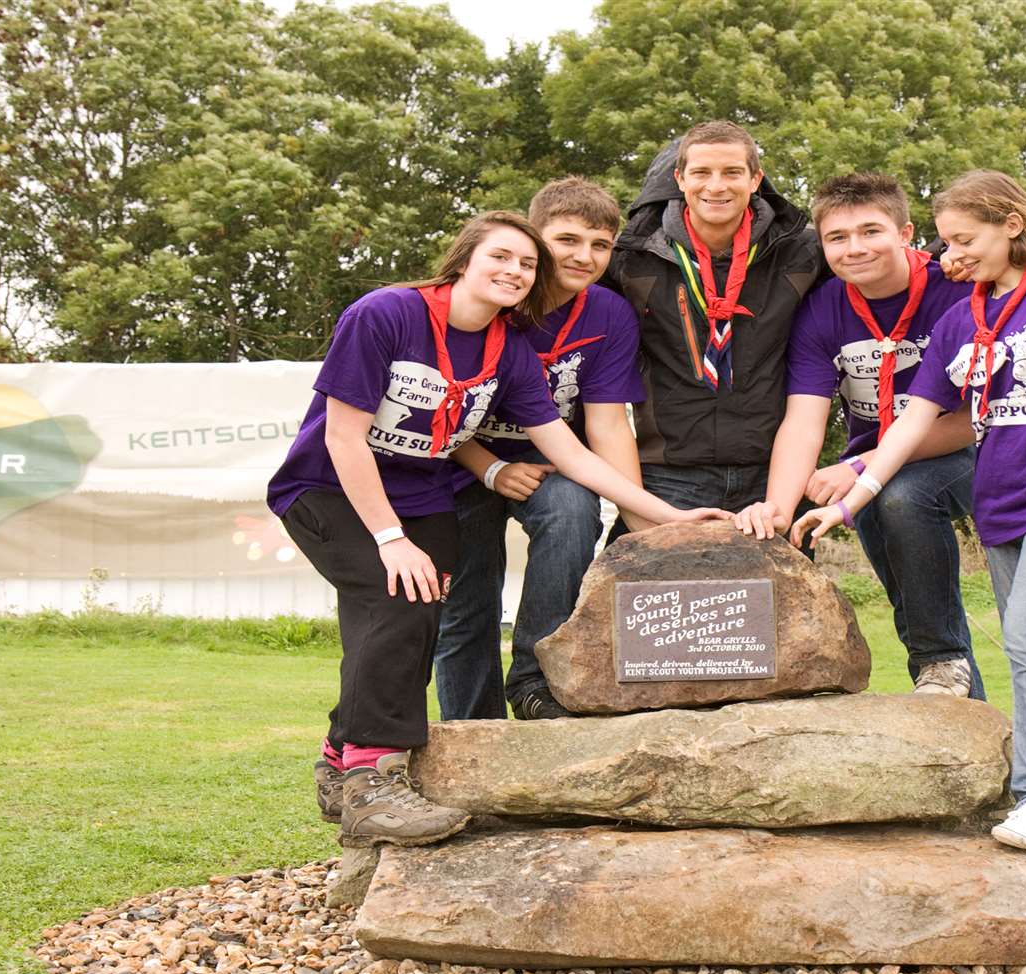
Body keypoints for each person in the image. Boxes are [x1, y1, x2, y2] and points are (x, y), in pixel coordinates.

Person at [267, 211, 725, 849]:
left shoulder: (507, 348)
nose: (515, 271)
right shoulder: (384, 314)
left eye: (526, 264)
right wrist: (389, 538)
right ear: (463, 261)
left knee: (411, 617)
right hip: (331, 488)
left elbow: (569, 453)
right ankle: (372, 782)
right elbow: (344, 436)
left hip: (422, 494)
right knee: (399, 595)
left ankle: (339, 755)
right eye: (501, 258)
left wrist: (665, 514)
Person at [792, 170, 1026, 852]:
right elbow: (911, 426)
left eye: (965, 239)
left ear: (1011, 223)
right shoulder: (960, 319)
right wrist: (852, 499)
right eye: (946, 242)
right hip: (1000, 497)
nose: (953, 255)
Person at [734, 172, 986, 698]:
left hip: (968, 452)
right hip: (872, 471)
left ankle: (940, 659)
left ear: (905, 231)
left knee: (902, 496)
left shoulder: (955, 292)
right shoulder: (822, 310)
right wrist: (778, 511)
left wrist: (857, 466)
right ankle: (963, 724)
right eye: (837, 238)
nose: (855, 249)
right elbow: (805, 419)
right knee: (916, 601)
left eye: (870, 231)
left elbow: (972, 417)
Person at [434, 179, 645, 721]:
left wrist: (644, 520)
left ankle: (534, 681)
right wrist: (489, 467)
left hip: (553, 460)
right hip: (459, 461)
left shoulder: (609, 314)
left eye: (600, 245)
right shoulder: (492, 298)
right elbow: (438, 409)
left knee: (574, 513)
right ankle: (472, 730)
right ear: (534, 238)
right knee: (468, 604)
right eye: (567, 240)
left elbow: (608, 425)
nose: (584, 256)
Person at [605, 120, 827, 517]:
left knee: (787, 581)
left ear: (756, 178)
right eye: (702, 173)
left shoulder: (803, 251)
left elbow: (882, 270)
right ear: (680, 178)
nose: (716, 186)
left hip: (772, 471)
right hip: (668, 474)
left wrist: (951, 260)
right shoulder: (632, 256)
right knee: (632, 579)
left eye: (732, 173)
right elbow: (558, 292)